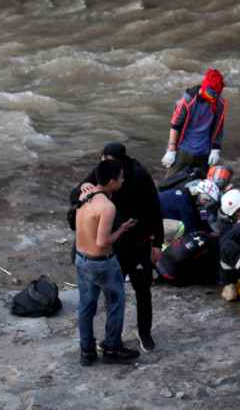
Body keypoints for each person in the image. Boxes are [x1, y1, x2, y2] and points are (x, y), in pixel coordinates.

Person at [89, 142, 162, 353]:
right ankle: (113, 337)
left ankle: (144, 332)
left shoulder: (140, 175)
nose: (102, 162)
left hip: (139, 241)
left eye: (105, 159)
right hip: (116, 243)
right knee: (113, 291)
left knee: (143, 289)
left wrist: (157, 243)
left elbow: (155, 209)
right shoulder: (104, 171)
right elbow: (79, 191)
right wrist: (83, 190)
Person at [72, 159, 141, 366]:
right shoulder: (107, 207)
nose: (123, 180)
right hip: (101, 263)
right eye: (120, 177)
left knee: (86, 306)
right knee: (116, 303)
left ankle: (87, 351)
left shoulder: (85, 195)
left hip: (81, 259)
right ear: (111, 181)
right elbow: (102, 242)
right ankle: (111, 348)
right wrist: (121, 230)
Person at [162, 68, 228, 173]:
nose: (213, 98)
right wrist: (171, 150)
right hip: (183, 150)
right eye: (211, 93)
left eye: (216, 94)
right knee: (169, 183)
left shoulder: (219, 104)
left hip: (204, 153)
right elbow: (175, 125)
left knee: (200, 186)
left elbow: (218, 127)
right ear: (204, 87)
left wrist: (216, 149)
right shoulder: (187, 101)